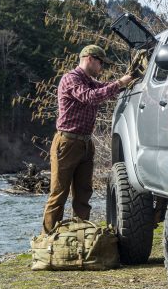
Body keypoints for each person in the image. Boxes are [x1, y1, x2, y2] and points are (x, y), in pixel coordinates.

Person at [41, 44, 135, 234]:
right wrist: (120, 83)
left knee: (83, 194)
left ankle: (80, 237)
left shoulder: (90, 80)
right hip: (67, 143)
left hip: (85, 143)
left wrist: (129, 79)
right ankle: (47, 241)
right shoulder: (71, 79)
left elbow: (106, 89)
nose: (101, 68)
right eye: (100, 63)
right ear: (90, 59)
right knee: (58, 194)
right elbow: (91, 97)